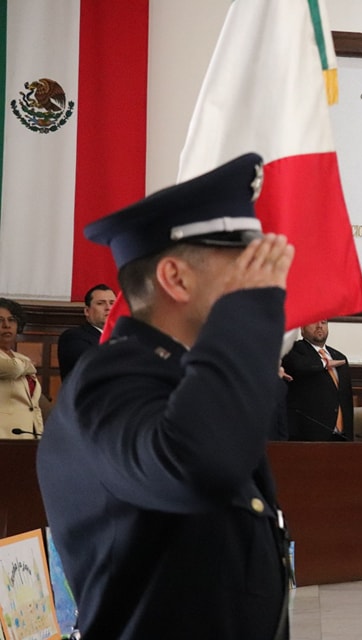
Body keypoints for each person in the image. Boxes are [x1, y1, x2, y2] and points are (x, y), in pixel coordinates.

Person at [36, 153, 293, 639]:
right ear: (175, 278)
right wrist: (250, 312)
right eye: (246, 264)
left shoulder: (179, 377)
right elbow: (195, 465)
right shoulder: (107, 380)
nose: (268, 278)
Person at [282, 319, 354, 441]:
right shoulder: (293, 350)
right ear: (302, 328)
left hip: (341, 435)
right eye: (314, 322)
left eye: (324, 323)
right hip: (307, 435)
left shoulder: (339, 357)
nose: (319, 326)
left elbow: (346, 397)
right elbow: (299, 366)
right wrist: (325, 363)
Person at [0, 297, 44, 439]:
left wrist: (40, 435)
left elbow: (33, 406)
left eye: (11, 320)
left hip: (27, 437)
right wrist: (29, 365)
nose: (6, 325)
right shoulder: (24, 362)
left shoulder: (21, 358)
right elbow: (14, 369)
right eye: (0, 320)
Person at [57, 283, 117, 380]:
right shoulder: (73, 337)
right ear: (87, 311)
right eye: (100, 303)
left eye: (112, 303)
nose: (108, 308)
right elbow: (94, 367)